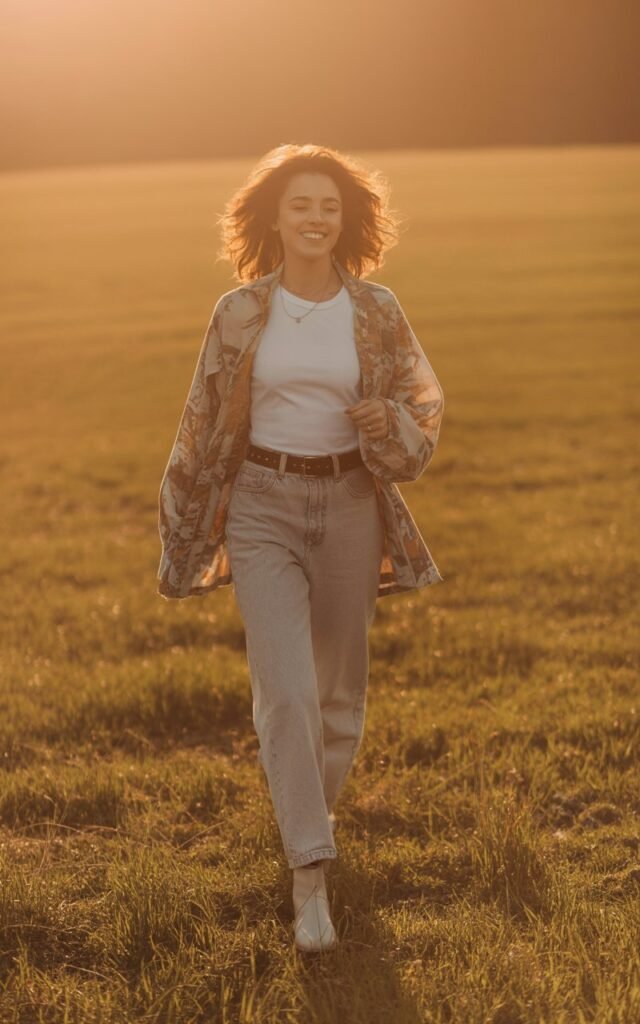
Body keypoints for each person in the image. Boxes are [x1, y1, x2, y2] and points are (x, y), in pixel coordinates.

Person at [157, 143, 445, 952]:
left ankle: (300, 821)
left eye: (329, 207)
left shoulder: (378, 310)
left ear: (346, 220)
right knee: (285, 694)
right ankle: (308, 875)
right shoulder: (239, 312)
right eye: (300, 206)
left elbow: (422, 402)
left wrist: (389, 424)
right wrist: (182, 524)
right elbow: (200, 416)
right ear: (275, 220)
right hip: (261, 505)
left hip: (351, 502)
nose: (316, 219)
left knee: (338, 701)